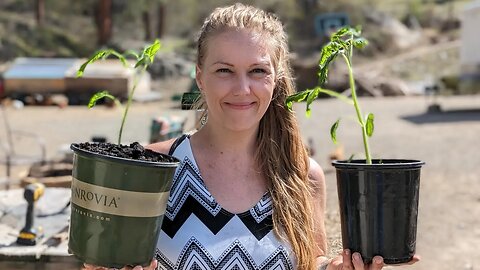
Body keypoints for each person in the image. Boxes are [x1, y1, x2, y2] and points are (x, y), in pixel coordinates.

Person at [85, 3, 420, 270]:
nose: (242, 89)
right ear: (200, 77)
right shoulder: (151, 169)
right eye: (224, 71)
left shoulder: (304, 175)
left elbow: (311, 263)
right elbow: (101, 259)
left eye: (257, 71)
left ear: (276, 79)